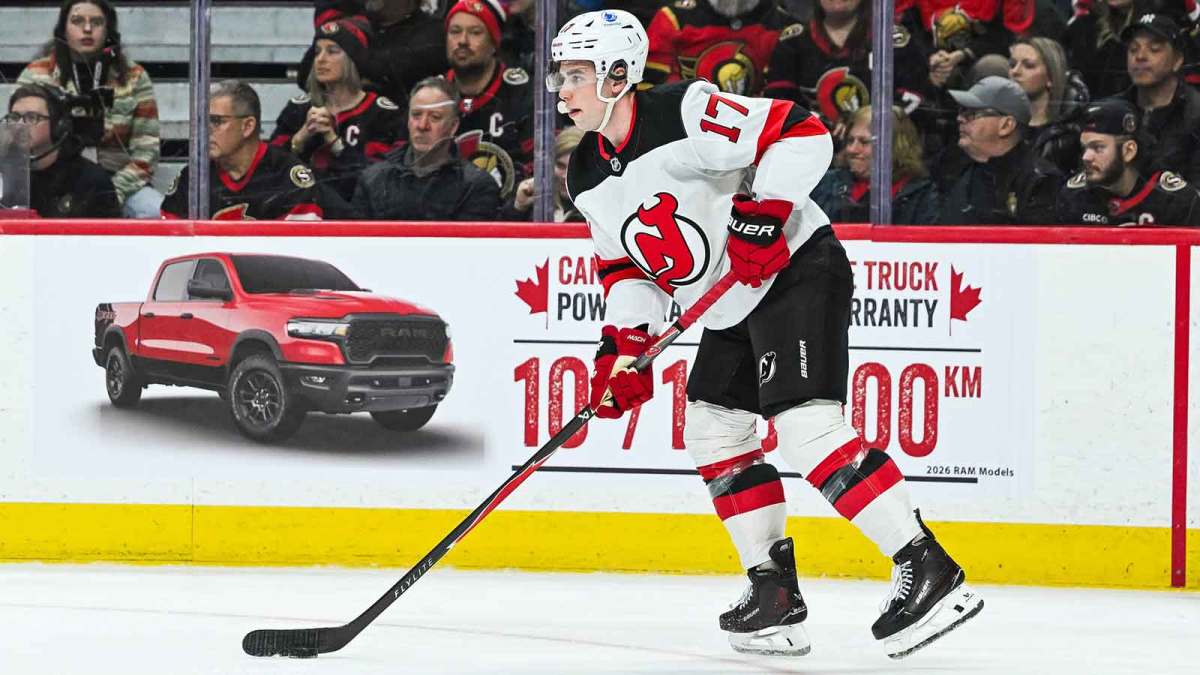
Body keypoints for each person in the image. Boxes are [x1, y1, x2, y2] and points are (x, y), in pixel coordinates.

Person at [550, 8, 982, 659]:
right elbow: (625, 266)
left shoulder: (685, 111)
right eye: (561, 75)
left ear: (617, 75)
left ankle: (928, 567)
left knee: (806, 424)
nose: (562, 90)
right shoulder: (585, 171)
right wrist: (624, 349)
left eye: (576, 75)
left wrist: (765, 212)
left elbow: (802, 133)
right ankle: (774, 594)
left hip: (794, 268)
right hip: (729, 303)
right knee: (713, 427)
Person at [18, 0, 161, 218]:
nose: (87, 29)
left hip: (118, 181)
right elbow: (17, 137)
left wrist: (111, 192)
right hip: (52, 183)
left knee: (153, 210)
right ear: (63, 29)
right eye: (77, 21)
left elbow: (146, 152)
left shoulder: (135, 77)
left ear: (108, 30)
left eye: (96, 22)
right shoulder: (36, 74)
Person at [270, 16, 406, 203]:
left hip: (358, 212)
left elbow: (378, 178)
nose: (321, 59)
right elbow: (268, 167)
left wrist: (334, 142)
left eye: (332, 51)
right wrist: (300, 138)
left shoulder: (381, 113)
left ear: (353, 60)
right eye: (317, 52)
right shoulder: (298, 108)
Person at [162, 81, 323, 221]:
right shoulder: (193, 178)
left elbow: (297, 250)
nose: (206, 130)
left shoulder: (286, 175)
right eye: (204, 121)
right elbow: (171, 241)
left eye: (216, 121)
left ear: (247, 126)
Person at [764, 0, 933, 131]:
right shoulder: (793, 41)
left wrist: (866, 125)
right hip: (810, 148)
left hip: (883, 153)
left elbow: (913, 95)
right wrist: (818, 125)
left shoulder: (893, 40)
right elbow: (779, 101)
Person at [350, 77, 501, 221]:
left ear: (453, 126)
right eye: (416, 115)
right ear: (408, 121)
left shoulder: (475, 186)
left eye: (435, 117)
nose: (422, 126)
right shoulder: (372, 179)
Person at [939, 76, 1064, 224]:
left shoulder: (1040, 181)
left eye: (971, 113)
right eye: (961, 111)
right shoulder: (951, 166)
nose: (960, 118)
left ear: (1006, 125)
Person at [1057, 97, 1200, 225]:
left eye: (1098, 147)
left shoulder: (1176, 202)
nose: (1085, 157)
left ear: (1128, 151)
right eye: (1085, 148)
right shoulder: (1073, 196)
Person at [443, 0, 533, 198]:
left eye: (475, 32)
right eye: (455, 31)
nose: (462, 41)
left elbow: (540, 165)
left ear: (494, 43)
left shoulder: (521, 93)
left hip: (511, 215)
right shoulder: (433, 95)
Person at [298, 0, 448, 107]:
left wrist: (353, 68)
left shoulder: (434, 32)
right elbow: (306, 74)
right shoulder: (356, 25)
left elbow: (392, 70)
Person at [811, 105, 940, 224]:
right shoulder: (826, 184)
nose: (852, 149)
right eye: (850, 140)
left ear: (893, 147)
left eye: (864, 142)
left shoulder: (920, 195)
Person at [6, 83, 119, 218]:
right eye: (14, 118)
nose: (20, 126)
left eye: (31, 118)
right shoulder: (6, 174)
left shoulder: (91, 180)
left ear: (58, 126)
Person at [643, 0, 795, 96]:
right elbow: (646, 90)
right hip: (681, 127)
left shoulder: (783, 27)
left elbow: (781, 99)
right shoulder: (673, 18)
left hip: (751, 132)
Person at [1116, 13, 1200, 184]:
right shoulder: (1114, 110)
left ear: (1177, 60)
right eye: (1133, 49)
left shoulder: (1195, 114)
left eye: (1154, 49)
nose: (1140, 56)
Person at [1008, 36, 1089, 174]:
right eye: (1012, 64)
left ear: (1051, 77)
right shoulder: (1001, 123)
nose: (1015, 71)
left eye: (1028, 65)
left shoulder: (1073, 133)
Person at [502, 126, 586, 222]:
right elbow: (499, 234)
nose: (565, 176)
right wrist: (518, 207)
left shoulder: (601, 209)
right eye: (560, 166)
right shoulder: (533, 196)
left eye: (575, 168)